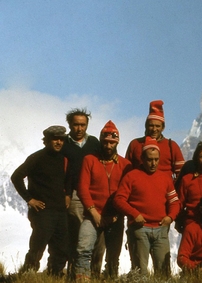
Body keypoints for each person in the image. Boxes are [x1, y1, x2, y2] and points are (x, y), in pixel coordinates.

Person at [114, 136, 181, 276]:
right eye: (150, 159)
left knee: (163, 272)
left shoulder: (165, 178)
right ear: (142, 159)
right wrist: (134, 214)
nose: (153, 163)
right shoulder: (132, 176)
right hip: (139, 229)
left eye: (156, 159)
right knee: (140, 271)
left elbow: (174, 201)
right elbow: (119, 199)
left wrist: (170, 217)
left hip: (161, 228)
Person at [75, 121, 132, 280]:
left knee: (113, 256)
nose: (108, 146)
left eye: (111, 143)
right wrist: (94, 213)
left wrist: (117, 215)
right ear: (101, 141)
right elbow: (82, 188)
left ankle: (110, 279)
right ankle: (82, 279)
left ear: (117, 142)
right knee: (84, 249)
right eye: (105, 142)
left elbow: (128, 193)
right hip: (92, 215)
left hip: (115, 217)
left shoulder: (125, 165)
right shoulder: (89, 160)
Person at [11, 125, 69, 277]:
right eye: (55, 139)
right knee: (38, 246)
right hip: (42, 211)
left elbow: (68, 180)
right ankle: (27, 275)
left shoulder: (64, 159)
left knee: (62, 248)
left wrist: (68, 195)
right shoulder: (36, 158)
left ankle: (54, 275)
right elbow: (16, 177)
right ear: (46, 141)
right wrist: (29, 199)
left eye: (61, 139)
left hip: (61, 211)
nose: (58, 142)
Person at [61, 108, 105, 277]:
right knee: (78, 234)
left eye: (83, 125)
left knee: (97, 234)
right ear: (70, 125)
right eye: (76, 125)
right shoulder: (64, 143)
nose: (79, 129)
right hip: (74, 195)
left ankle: (95, 273)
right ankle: (76, 273)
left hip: (94, 194)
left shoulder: (94, 143)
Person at [125, 100, 184, 180]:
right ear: (146, 126)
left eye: (157, 126)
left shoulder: (172, 146)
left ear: (163, 127)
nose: (154, 129)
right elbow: (127, 172)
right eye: (151, 126)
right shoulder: (135, 144)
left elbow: (181, 174)